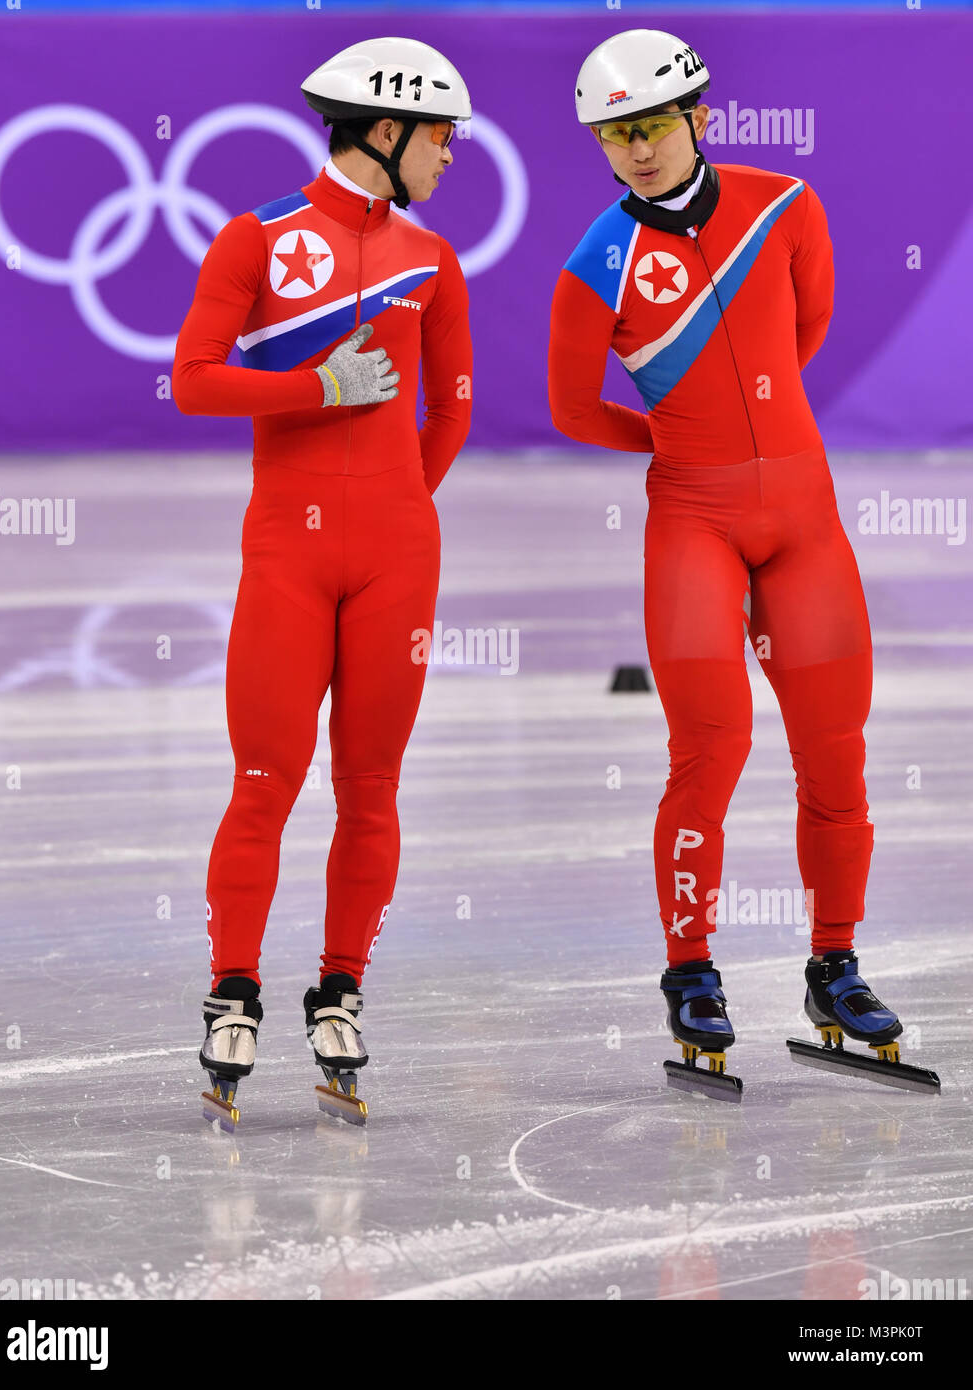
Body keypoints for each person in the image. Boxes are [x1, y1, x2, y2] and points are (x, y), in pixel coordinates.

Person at [548, 29, 912, 1096]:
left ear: (698, 116)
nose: (636, 150)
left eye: (651, 125)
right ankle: (690, 969)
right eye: (614, 136)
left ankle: (833, 965)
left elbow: (804, 329)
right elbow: (574, 407)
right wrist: (683, 440)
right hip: (692, 522)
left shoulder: (784, 206)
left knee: (831, 748)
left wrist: (751, 430)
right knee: (711, 742)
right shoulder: (594, 262)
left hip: (801, 517)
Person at [172, 36, 473, 1126]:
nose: (452, 155)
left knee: (372, 787)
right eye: (441, 136)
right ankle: (234, 989)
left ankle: (340, 986)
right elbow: (193, 381)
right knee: (264, 779)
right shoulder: (255, 237)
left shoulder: (435, 259)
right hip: (287, 554)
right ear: (382, 131)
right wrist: (311, 386)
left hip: (396, 553)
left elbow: (457, 411)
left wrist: (403, 507)